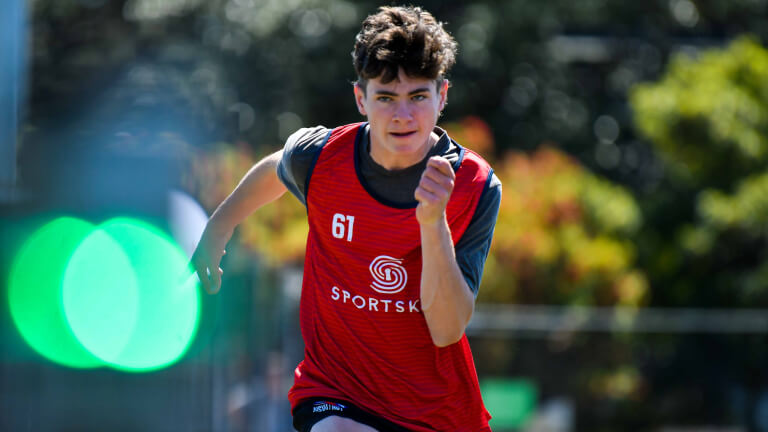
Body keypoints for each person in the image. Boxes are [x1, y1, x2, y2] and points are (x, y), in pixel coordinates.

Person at [191, 5, 501, 431]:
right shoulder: (320, 159)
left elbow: (447, 329)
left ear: (442, 95)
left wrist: (432, 222)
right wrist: (218, 228)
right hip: (336, 390)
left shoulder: (473, 186)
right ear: (361, 98)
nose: (402, 116)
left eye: (418, 97)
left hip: (436, 414)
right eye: (386, 97)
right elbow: (275, 168)